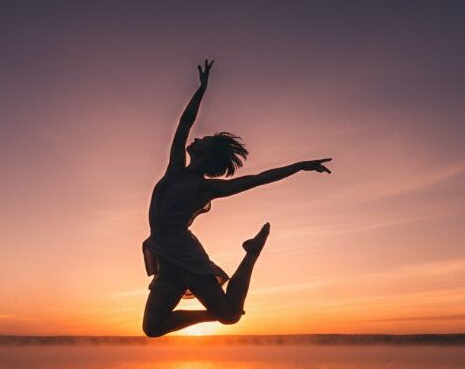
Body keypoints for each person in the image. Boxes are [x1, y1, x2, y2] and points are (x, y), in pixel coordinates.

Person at [141, 60, 331, 337]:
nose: (196, 138)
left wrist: (299, 165)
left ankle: (251, 253)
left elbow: (258, 179)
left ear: (206, 154)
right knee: (153, 328)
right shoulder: (175, 168)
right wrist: (202, 89)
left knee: (230, 315)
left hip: (182, 253)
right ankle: (213, 312)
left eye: (203, 140)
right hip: (163, 252)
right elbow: (183, 124)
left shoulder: (205, 188)